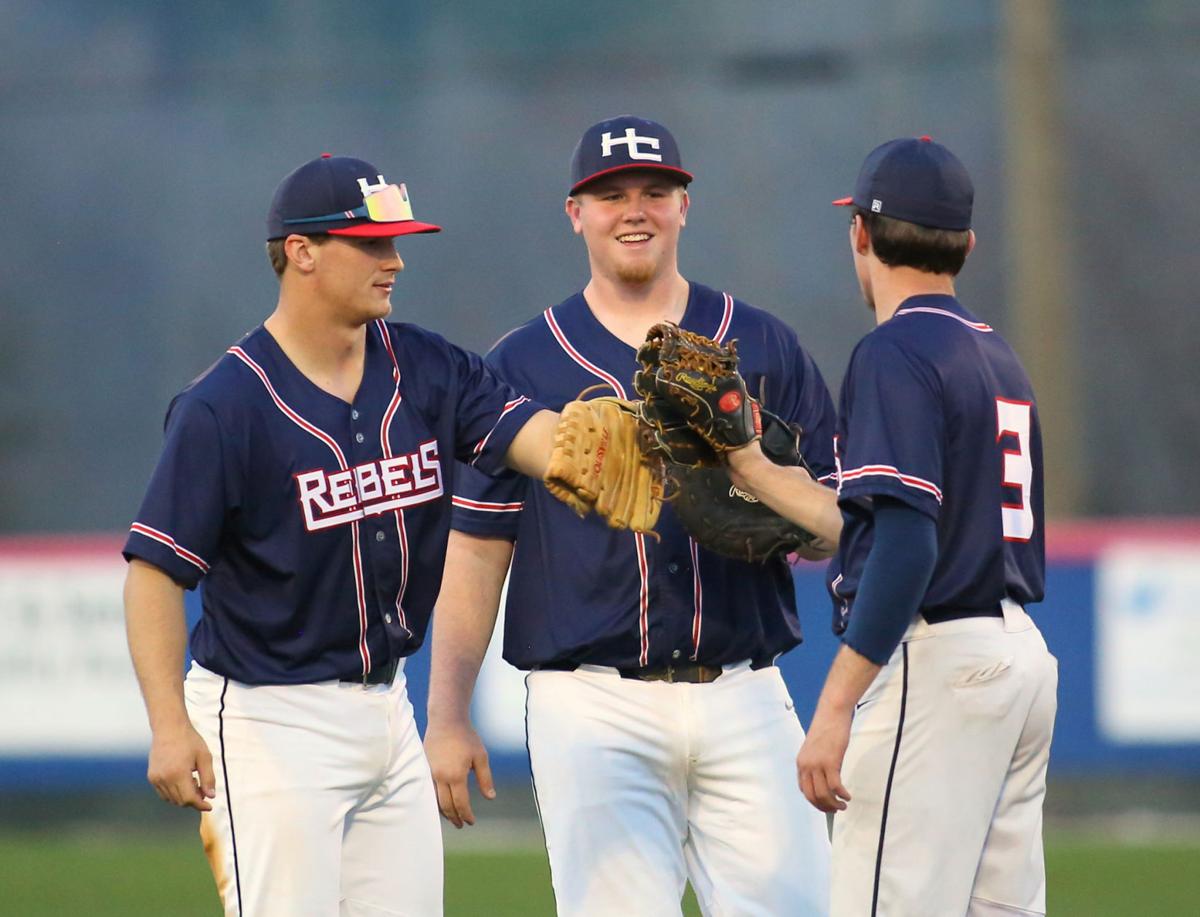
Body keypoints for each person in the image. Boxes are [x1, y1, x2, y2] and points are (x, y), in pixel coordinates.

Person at [121, 153, 567, 917]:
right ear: (301, 252)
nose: (393, 259)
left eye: (394, 242)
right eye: (369, 243)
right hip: (268, 717)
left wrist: (611, 442)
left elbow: (537, 437)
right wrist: (168, 724)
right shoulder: (225, 406)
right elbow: (153, 574)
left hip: (384, 709)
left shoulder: (424, 366)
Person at [424, 115, 835, 916]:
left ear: (687, 205)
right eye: (610, 195)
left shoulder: (761, 345)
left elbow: (839, 530)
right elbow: (477, 549)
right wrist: (447, 715)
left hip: (746, 691)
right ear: (575, 213)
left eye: (655, 191)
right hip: (592, 700)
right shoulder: (521, 364)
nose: (634, 209)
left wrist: (757, 468)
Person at [722, 136, 1058, 916]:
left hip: (939, 665)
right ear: (967, 245)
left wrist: (836, 705)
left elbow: (907, 544)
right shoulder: (995, 354)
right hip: (1016, 663)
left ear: (861, 236)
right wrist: (755, 469)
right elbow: (877, 520)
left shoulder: (894, 351)